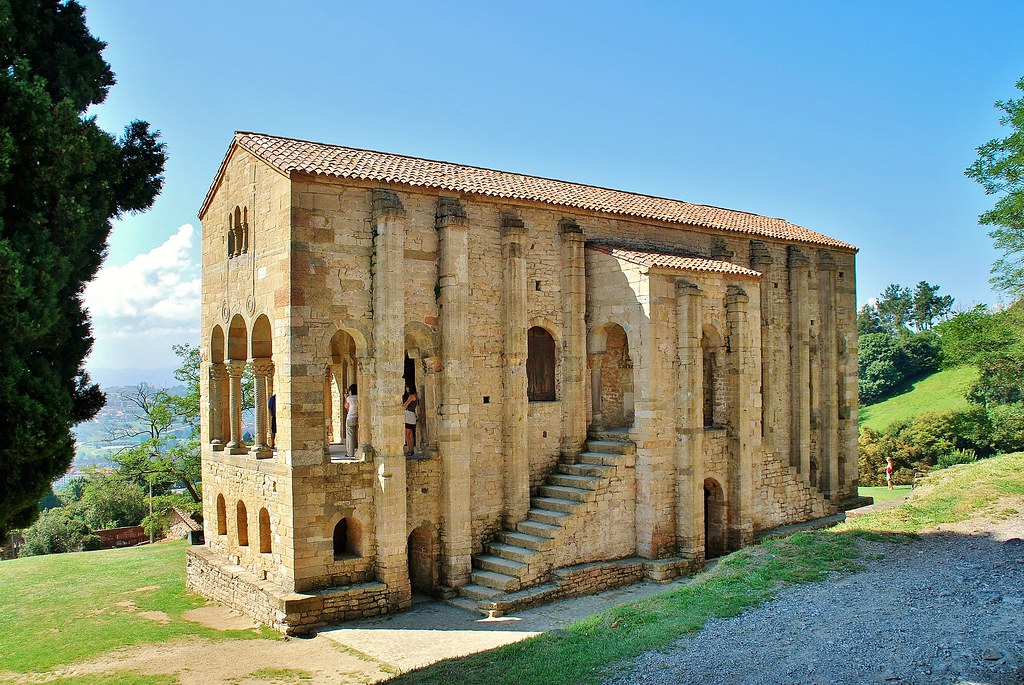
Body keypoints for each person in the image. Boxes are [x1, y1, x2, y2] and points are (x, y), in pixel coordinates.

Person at [403, 384, 418, 456]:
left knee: (407, 434)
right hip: (411, 415)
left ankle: (410, 450)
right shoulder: (415, 395)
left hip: (409, 415)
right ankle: (411, 449)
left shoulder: (412, 396)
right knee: (410, 434)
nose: (406, 389)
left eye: (407, 387)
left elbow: (405, 405)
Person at [344, 384, 358, 458]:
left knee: (350, 436)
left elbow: (346, 407)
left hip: (350, 418)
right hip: (357, 417)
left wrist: (346, 398)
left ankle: (350, 453)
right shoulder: (358, 397)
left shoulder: (350, 398)